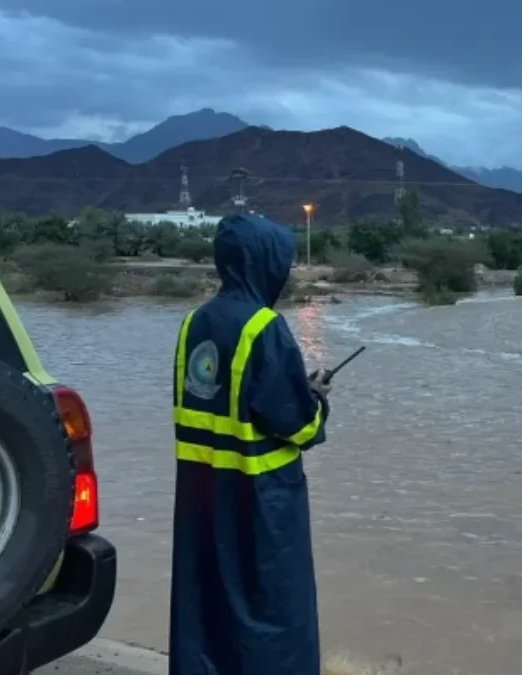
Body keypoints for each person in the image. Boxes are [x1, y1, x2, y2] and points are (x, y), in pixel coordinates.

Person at [169, 212, 332, 675]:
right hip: (262, 503)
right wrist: (316, 401)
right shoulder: (265, 327)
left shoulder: (192, 324)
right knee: (272, 612)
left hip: (202, 497)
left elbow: (228, 400)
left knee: (207, 603)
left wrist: (292, 388)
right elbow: (298, 426)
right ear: (264, 262)